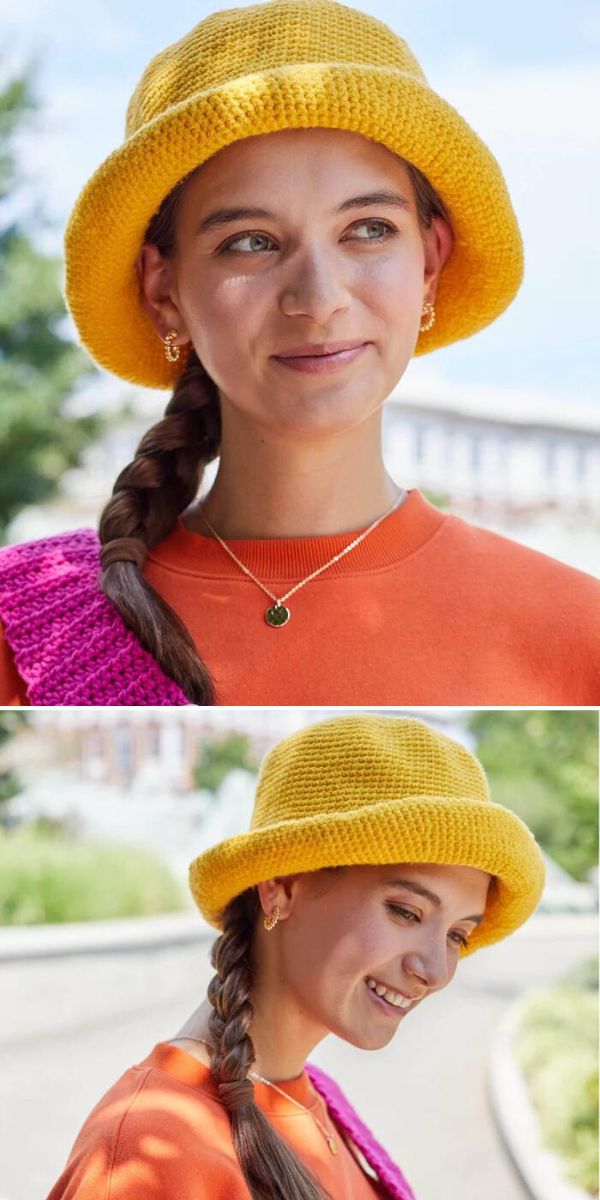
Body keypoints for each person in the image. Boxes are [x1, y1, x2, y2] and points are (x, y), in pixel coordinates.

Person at [1, 0, 598, 707]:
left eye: (368, 229)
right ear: (164, 290)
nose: (318, 298)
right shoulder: (29, 632)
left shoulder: (577, 632)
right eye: (250, 241)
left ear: (430, 263)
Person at [45, 714, 546, 1200]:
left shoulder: (306, 1098)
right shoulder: (149, 1154)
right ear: (280, 889)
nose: (434, 971)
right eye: (406, 912)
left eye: (458, 935)